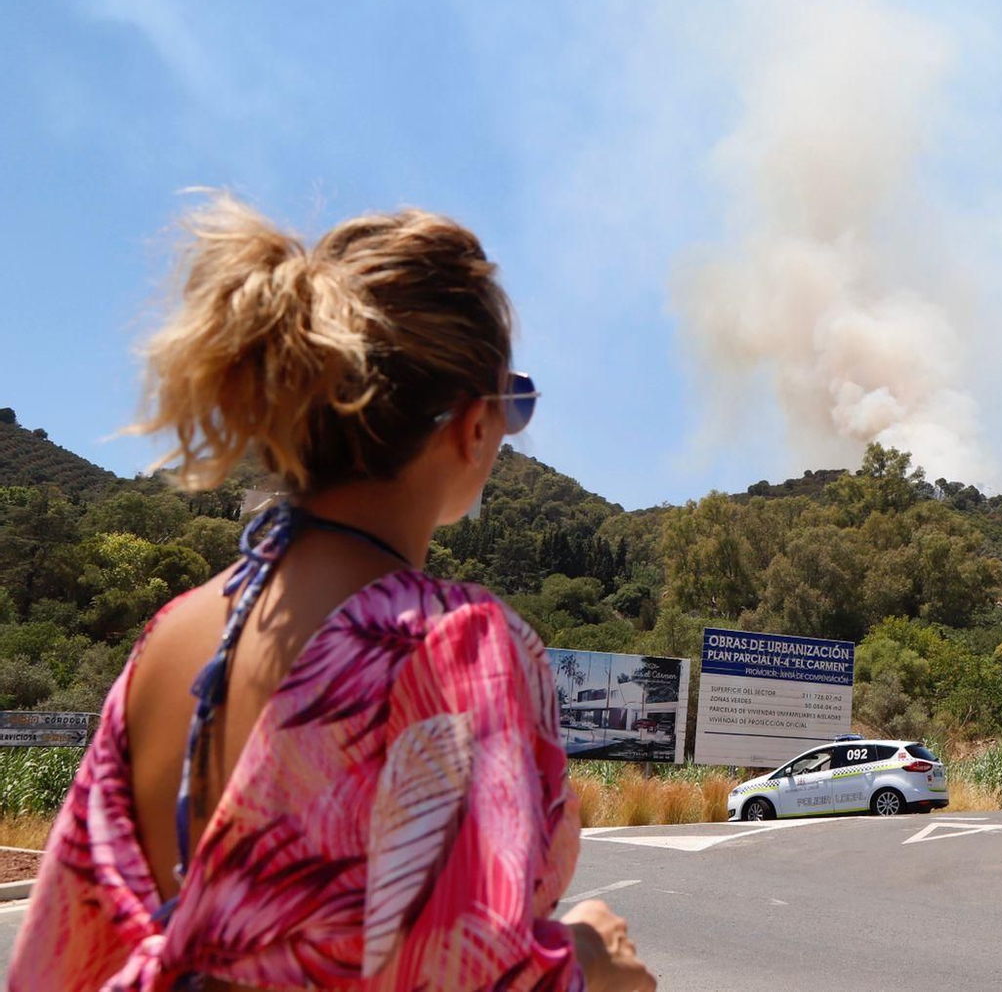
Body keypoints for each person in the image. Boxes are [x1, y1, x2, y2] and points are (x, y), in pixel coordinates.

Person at [9, 197, 655, 992]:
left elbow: (61, 952)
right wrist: (588, 957)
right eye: (513, 403)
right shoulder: (457, 648)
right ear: (471, 424)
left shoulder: (173, 636)